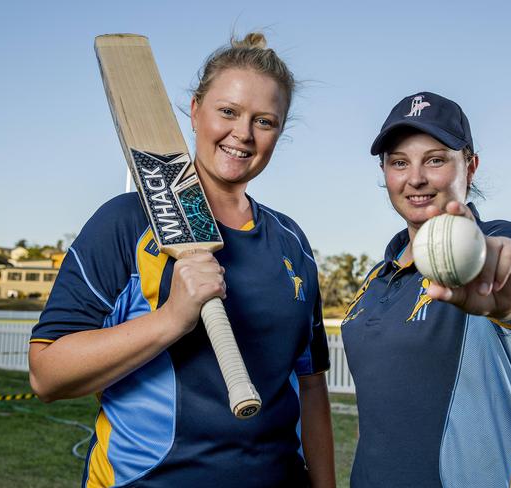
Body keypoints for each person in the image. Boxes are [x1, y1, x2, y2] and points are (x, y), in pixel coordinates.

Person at [29, 33, 335, 488]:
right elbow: (46, 373)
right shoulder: (125, 222)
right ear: (195, 110)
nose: (243, 134)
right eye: (227, 112)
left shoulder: (291, 242)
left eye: (265, 121)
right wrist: (171, 319)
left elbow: (311, 387)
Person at [342, 92, 511, 487]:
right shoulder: (376, 278)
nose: (415, 178)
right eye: (399, 163)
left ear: (469, 167)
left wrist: (498, 278)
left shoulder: (498, 241)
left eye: (435, 160)